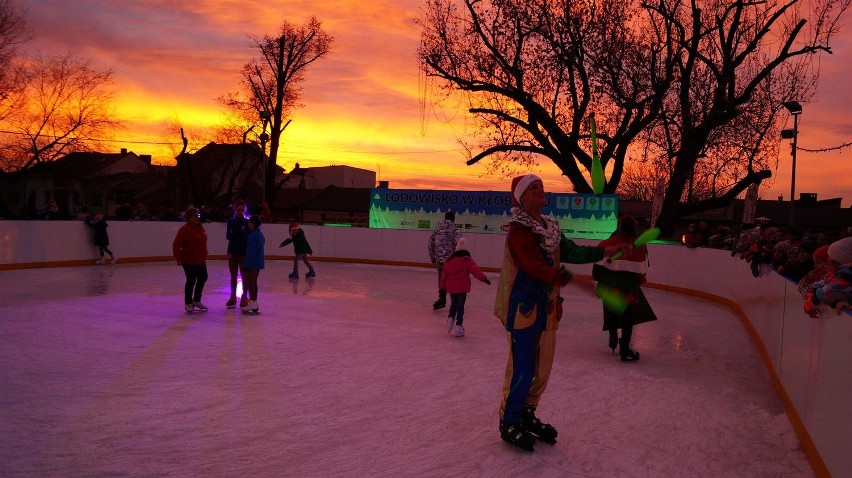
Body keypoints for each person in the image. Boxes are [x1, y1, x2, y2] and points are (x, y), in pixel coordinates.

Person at [493, 174, 625, 452]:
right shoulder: (518, 232)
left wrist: (605, 251)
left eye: (541, 186)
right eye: (533, 188)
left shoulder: (550, 227)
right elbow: (535, 268)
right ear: (522, 197)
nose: (541, 190)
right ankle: (510, 421)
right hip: (523, 309)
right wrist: (573, 279)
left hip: (547, 308)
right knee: (522, 368)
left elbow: (573, 252)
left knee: (542, 369)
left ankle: (527, 415)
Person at [593, 215, 657, 361]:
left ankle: (613, 335)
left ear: (620, 227)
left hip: (608, 286)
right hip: (627, 288)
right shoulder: (638, 245)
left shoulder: (607, 243)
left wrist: (599, 280)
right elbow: (641, 270)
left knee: (610, 311)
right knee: (628, 316)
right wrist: (638, 282)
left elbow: (597, 266)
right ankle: (625, 347)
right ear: (635, 228)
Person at [439, 237, 491, 337]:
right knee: (460, 307)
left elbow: (444, 277)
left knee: (453, 304)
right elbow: (476, 271)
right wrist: (484, 279)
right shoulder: (467, 260)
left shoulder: (449, 261)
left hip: (452, 289)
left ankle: (450, 319)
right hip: (462, 288)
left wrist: (442, 289)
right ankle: (458, 327)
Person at [173, 207, 209, 313]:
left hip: (200, 258)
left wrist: (204, 252)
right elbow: (176, 245)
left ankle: (196, 300)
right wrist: (178, 258)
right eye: (194, 215)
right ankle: (188, 302)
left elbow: (202, 241)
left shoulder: (200, 227)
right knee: (191, 280)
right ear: (189, 218)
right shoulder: (184, 230)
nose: (197, 217)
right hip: (189, 260)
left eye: (197, 215)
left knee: (203, 277)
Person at [427, 210, 461, 309]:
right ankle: (456, 299)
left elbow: (430, 244)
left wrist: (433, 257)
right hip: (451, 260)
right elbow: (459, 244)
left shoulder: (437, 229)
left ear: (445, 218)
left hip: (440, 260)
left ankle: (442, 299)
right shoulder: (455, 230)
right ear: (453, 219)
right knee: (454, 278)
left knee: (442, 278)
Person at [225, 200, 250, 309]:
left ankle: (244, 296)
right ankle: (233, 296)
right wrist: (238, 234)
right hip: (232, 251)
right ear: (235, 210)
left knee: (245, 276)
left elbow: (246, 236)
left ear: (244, 210)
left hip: (243, 253)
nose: (240, 212)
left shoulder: (247, 222)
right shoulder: (231, 221)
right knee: (233, 276)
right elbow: (228, 236)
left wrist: (236, 233)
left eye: (241, 210)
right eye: (238, 210)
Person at [241, 215, 265, 315]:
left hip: (253, 263)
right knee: (253, 282)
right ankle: (254, 302)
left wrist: (246, 264)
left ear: (253, 224)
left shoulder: (252, 236)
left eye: (250, 222)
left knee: (251, 282)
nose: (248, 224)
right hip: (258, 261)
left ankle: (253, 302)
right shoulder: (260, 235)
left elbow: (251, 252)